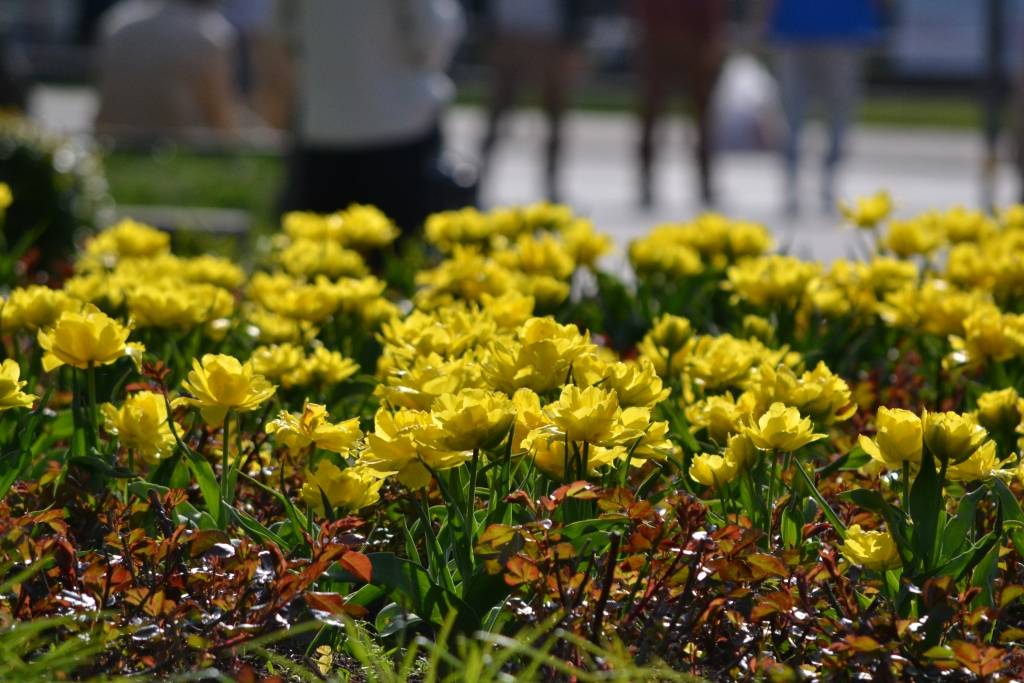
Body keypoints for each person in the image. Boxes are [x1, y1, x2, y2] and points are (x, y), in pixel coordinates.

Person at [279, 0, 464, 234]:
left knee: (323, 251)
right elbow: (431, 35)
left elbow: (285, 32)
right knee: (401, 258)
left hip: (322, 131)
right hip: (400, 130)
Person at [764, 0, 883, 215]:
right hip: (828, 27)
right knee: (817, 113)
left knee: (801, 113)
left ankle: (816, 186)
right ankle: (813, 187)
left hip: (814, 26)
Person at [476, 0, 585, 203]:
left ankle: (552, 182)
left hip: (550, 33)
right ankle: (478, 177)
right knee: (497, 112)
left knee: (554, 115)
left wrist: (572, 35)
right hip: (508, 30)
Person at [94, 0, 238, 139]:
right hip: (180, 147)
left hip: (114, 142)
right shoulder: (210, 34)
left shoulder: (115, 23)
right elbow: (220, 119)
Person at [632, 0, 726, 208]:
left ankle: (704, 182)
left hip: (682, 39)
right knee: (654, 114)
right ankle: (647, 181)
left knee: (700, 117)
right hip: (671, 39)